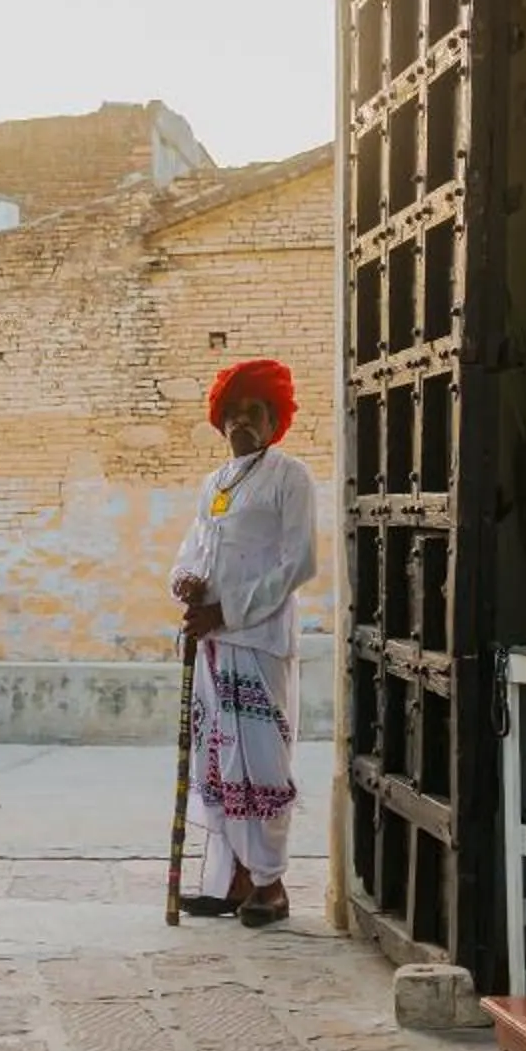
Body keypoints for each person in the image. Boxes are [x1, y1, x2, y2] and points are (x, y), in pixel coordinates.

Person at [167, 358, 318, 927]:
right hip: (212, 644)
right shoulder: (214, 485)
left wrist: (226, 610)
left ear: (272, 418)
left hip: (257, 639)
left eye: (251, 412)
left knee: (260, 762)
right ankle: (231, 880)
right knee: (219, 761)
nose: (239, 422)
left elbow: (299, 562)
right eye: (231, 414)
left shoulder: (289, 477)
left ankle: (270, 884)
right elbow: (194, 552)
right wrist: (184, 581)